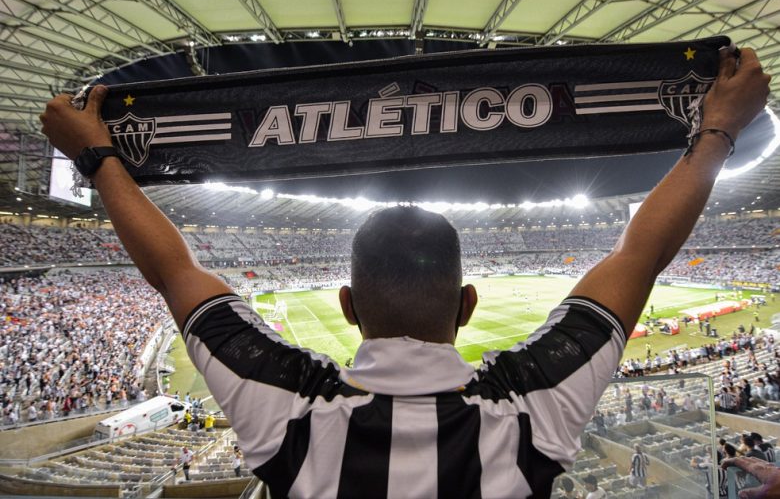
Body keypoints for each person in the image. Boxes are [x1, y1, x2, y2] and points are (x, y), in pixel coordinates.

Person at [39, 47, 770, 498]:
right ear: (468, 303)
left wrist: (98, 158)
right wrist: (716, 132)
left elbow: (174, 273)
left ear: (349, 304)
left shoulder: (288, 410)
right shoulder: (531, 407)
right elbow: (637, 256)